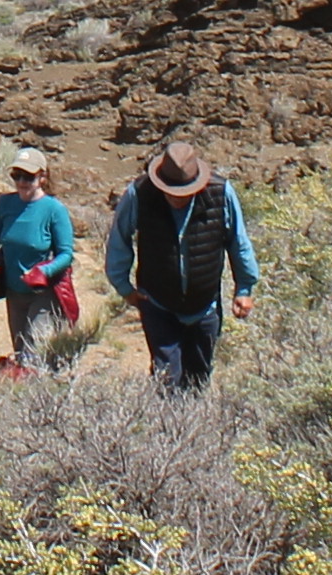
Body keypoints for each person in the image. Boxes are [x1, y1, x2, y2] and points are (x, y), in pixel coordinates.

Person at [105, 139, 259, 394]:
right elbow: (119, 240)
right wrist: (124, 287)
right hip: (158, 303)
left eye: (184, 192)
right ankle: (167, 430)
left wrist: (245, 288)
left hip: (205, 305)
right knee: (167, 380)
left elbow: (238, 242)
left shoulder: (221, 193)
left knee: (199, 377)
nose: (178, 198)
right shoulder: (140, 194)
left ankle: (195, 428)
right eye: (172, 192)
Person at [0, 146, 80, 378]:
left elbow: (66, 254)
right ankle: (28, 401)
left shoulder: (54, 210)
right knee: (21, 351)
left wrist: (45, 271)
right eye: (16, 175)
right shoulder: (5, 204)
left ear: (42, 176)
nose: (22, 181)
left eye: (28, 176)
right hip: (14, 293)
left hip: (44, 294)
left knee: (34, 351)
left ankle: (44, 401)